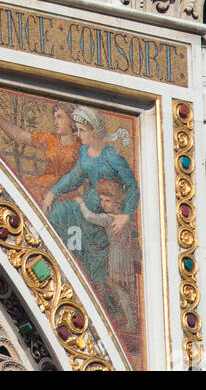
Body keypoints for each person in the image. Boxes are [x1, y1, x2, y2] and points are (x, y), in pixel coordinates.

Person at [42, 106, 139, 287]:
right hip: (88, 201)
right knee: (57, 212)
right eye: (77, 129)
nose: (78, 135)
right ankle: (67, 262)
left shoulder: (112, 156)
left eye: (82, 130)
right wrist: (53, 192)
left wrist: (126, 215)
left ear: (93, 131)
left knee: (83, 225)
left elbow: (132, 186)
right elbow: (73, 177)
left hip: (106, 207)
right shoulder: (84, 153)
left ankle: (86, 274)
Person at [0, 99, 80, 205]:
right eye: (54, 117)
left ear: (71, 119)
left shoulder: (81, 146)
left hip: (66, 193)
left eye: (59, 117)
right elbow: (19, 135)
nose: (55, 122)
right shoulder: (50, 140)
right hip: (41, 187)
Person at [75, 180, 141, 330]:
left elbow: (89, 217)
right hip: (126, 257)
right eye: (102, 200)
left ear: (117, 202)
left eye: (107, 201)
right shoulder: (124, 218)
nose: (103, 204)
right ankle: (131, 319)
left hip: (117, 256)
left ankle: (131, 322)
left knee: (120, 291)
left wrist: (81, 203)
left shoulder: (109, 218)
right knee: (125, 291)